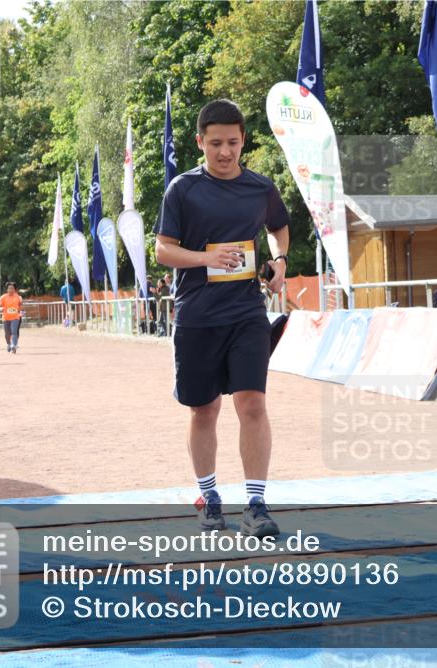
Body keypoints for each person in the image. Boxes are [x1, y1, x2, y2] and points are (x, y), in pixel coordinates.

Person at [154, 99, 290, 537]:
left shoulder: (260, 188)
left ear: (243, 140)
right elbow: (162, 250)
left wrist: (280, 261)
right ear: (200, 142)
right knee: (204, 409)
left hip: (247, 312)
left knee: (252, 403)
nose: (225, 152)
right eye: (215, 143)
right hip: (196, 316)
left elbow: (278, 227)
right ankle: (210, 497)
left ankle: (256, 504)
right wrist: (205, 257)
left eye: (232, 142)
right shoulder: (182, 189)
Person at [0, 282, 23, 353]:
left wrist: (20, 310)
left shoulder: (18, 297)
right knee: (7, 333)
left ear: (14, 289)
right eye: (9, 288)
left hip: (15, 317)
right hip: (6, 318)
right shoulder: (3, 297)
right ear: (7, 289)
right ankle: (9, 344)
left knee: (14, 332)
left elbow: (20, 306)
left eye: (12, 288)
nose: (11, 290)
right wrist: (1, 309)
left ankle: (14, 346)